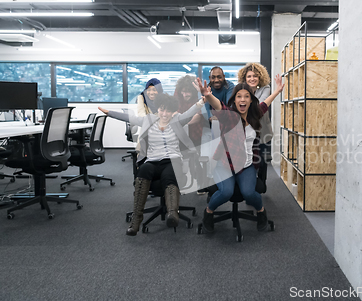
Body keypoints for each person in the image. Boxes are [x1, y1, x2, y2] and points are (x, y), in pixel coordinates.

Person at [98, 93, 205, 236]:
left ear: (173, 111)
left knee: (169, 175)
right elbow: (130, 118)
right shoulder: (149, 120)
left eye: (168, 110)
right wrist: (109, 113)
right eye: (162, 109)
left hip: (172, 159)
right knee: (144, 171)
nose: (164, 114)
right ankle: (136, 220)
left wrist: (202, 101)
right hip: (152, 159)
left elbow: (191, 112)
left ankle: (172, 214)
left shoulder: (178, 120)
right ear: (158, 109)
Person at [196, 74, 284, 233]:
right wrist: (208, 95)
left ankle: (261, 212)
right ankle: (208, 212)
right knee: (226, 192)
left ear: (250, 100)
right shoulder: (228, 115)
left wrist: (277, 91)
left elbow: (265, 103)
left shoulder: (254, 114)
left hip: (247, 166)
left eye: (246, 97)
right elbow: (218, 105)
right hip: (225, 165)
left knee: (249, 193)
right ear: (234, 100)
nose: (242, 99)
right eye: (239, 96)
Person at [237, 63, 273, 182]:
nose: (252, 79)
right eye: (249, 76)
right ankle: (250, 183)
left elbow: (260, 106)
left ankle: (261, 182)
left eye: (255, 76)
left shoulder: (266, 88)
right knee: (249, 159)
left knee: (262, 160)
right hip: (247, 130)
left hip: (263, 131)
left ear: (260, 77)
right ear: (244, 78)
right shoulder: (240, 90)